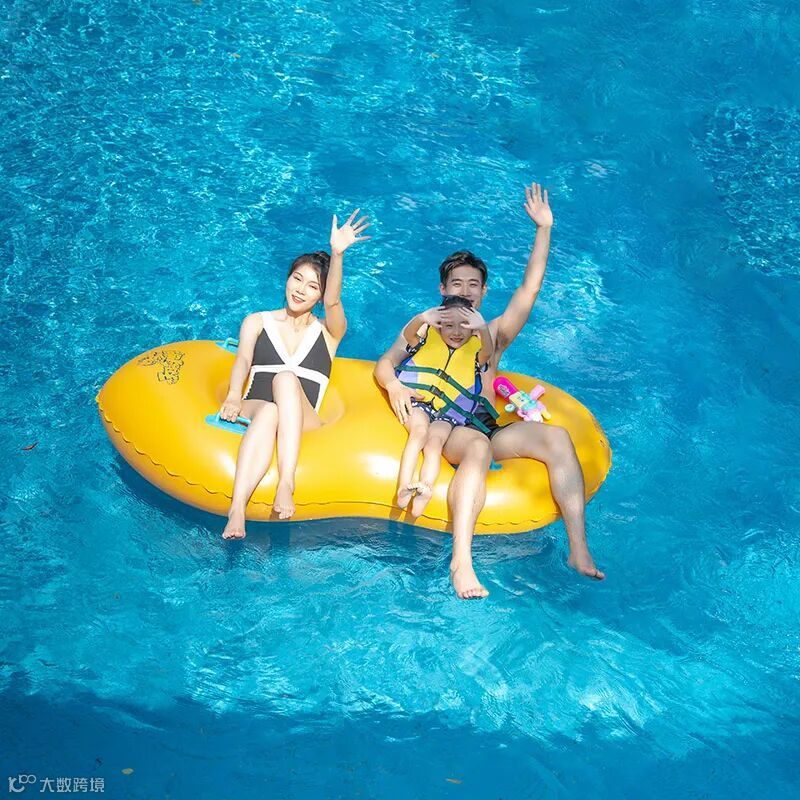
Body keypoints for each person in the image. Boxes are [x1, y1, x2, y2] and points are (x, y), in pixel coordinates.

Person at [374, 183, 604, 599]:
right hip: (449, 430)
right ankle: (461, 562)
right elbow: (389, 360)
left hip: (484, 423)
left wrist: (544, 229)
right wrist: (393, 386)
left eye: (473, 285)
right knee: (477, 447)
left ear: (483, 293)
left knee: (557, 437)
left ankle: (578, 549)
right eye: (456, 284)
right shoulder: (426, 329)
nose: (464, 291)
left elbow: (529, 291)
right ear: (443, 290)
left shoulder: (492, 335)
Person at [220, 209, 370, 539]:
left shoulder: (329, 333)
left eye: (312, 286)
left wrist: (337, 254)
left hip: (304, 419)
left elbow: (334, 303)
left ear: (320, 295)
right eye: (297, 279)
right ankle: (236, 510)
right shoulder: (257, 321)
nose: (301, 290)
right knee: (270, 409)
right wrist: (232, 396)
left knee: (286, 380)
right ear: (287, 278)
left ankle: (286, 483)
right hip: (256, 407)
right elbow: (242, 360)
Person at [393, 295, 494, 518]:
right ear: (438, 326)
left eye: (464, 326)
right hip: (419, 400)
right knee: (419, 433)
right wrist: (422, 318)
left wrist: (483, 328)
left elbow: (488, 351)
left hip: (448, 413)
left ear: (472, 330)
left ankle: (426, 488)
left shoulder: (476, 353)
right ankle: (404, 486)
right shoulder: (428, 339)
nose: (456, 332)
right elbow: (409, 335)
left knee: (435, 443)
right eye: (449, 325)